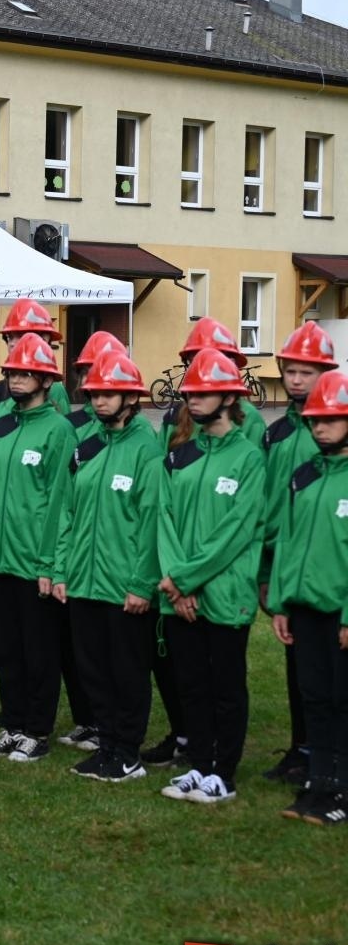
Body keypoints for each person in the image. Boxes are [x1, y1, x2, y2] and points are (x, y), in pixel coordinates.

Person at [157, 348, 265, 806]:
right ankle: (198, 763)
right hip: (182, 596)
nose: (192, 400)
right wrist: (177, 581)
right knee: (192, 684)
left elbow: (236, 530)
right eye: (190, 393)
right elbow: (164, 520)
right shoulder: (180, 455)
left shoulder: (248, 458)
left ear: (227, 396)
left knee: (225, 685)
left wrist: (186, 577)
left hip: (224, 593)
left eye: (202, 393)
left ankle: (225, 772)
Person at [52, 349, 162, 782]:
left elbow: (152, 522)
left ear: (130, 399)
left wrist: (141, 583)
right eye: (95, 393)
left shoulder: (146, 450)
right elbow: (68, 513)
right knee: (93, 670)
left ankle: (128, 752)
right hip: (84, 581)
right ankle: (107, 745)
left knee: (127, 673)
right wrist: (63, 571)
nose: (99, 401)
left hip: (123, 586)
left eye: (109, 394)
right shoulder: (88, 445)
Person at [0, 333, 78, 763]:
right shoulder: (0, 426)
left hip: (36, 563)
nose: (17, 378)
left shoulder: (58, 431)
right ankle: (12, 726)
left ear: (46, 380)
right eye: (13, 371)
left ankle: (37, 729)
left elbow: (61, 504)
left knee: (39, 651)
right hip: (0, 559)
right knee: (5, 650)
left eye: (27, 372)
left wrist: (51, 564)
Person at [260, 321, 339, 787]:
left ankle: (325, 755)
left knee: (331, 674)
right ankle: (300, 746)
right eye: (290, 370)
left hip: (326, 571)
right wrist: (268, 570)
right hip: (287, 566)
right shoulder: (275, 436)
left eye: (306, 372)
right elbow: (272, 511)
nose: (295, 379)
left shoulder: (330, 436)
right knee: (299, 665)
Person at [270, 369, 348, 825]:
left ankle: (341, 788)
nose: (319, 427)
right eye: (315, 420)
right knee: (315, 698)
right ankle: (317, 783)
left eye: (330, 420)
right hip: (304, 609)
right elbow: (288, 541)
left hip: (339, 612)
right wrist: (281, 602)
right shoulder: (304, 476)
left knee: (342, 701)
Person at [161, 318, 265, 451]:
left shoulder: (249, 417)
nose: (201, 370)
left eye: (212, 362)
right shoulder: (174, 415)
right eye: (196, 362)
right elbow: (160, 467)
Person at [0, 299, 70, 416]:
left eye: (21, 336)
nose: (11, 343)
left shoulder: (55, 389)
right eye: (9, 337)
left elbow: (63, 428)